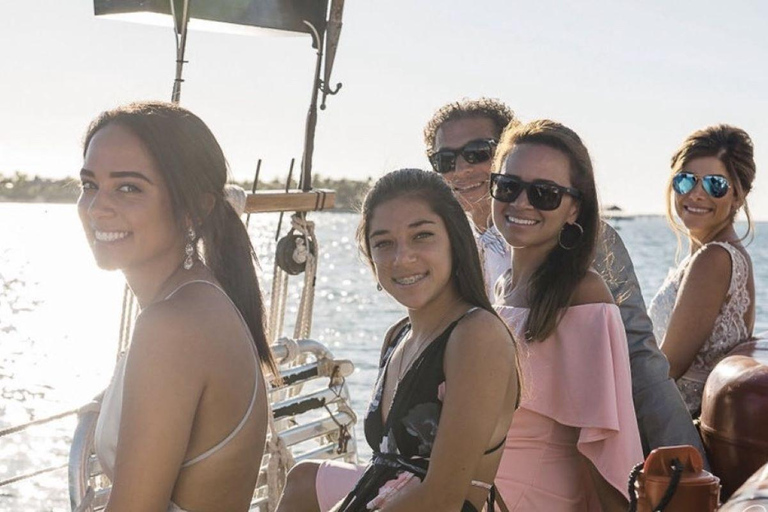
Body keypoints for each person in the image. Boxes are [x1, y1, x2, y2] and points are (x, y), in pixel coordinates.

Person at [424, 97, 706, 459]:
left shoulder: (586, 245)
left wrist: (687, 465)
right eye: (445, 160)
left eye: (477, 153)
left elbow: (638, 358)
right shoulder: (454, 251)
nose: (461, 169)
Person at [278, 169, 519, 511]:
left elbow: (442, 498)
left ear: (455, 240)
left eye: (422, 236)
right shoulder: (398, 337)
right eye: (383, 243)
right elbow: (382, 473)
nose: (401, 258)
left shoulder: (477, 336)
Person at [79, 101, 278, 512]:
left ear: (195, 208)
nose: (98, 206)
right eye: (89, 185)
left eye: (129, 187)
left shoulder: (174, 325)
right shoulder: (199, 299)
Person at [490, 119, 642, 510]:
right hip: (479, 480)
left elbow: (605, 441)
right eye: (509, 186)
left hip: (526, 497)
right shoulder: (501, 287)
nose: (521, 202)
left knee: (308, 481)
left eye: (545, 193)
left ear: (574, 207)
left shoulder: (582, 295)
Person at [648, 124, 756, 417]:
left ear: (739, 195)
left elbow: (667, 369)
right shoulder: (718, 255)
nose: (696, 194)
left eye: (714, 184)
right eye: (685, 181)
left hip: (676, 432)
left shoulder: (715, 259)